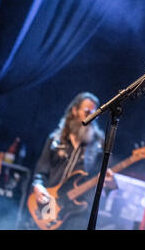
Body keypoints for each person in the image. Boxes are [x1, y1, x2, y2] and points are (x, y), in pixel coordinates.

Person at [31, 92, 116, 230]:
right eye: (87, 111)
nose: (91, 115)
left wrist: (110, 183)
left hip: (78, 212)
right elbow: (40, 171)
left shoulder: (99, 145)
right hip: (49, 204)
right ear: (75, 110)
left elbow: (105, 182)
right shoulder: (55, 139)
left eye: (94, 113)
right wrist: (38, 186)